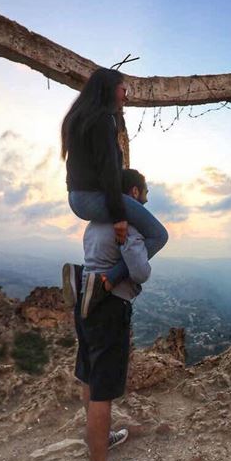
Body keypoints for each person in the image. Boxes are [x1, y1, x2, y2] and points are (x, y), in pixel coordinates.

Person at [72, 168, 155, 461]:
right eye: (145, 192)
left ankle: (99, 438)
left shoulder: (94, 224)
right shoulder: (128, 226)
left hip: (86, 301)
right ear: (133, 193)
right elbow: (141, 271)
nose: (147, 198)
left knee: (89, 375)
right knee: (103, 388)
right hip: (109, 309)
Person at [61, 68, 167, 314]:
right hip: (92, 198)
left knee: (110, 231)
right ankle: (104, 281)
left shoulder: (80, 118)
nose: (126, 97)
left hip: (76, 198)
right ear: (110, 89)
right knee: (159, 235)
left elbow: (76, 167)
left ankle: (81, 277)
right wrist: (119, 215)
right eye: (124, 90)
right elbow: (109, 169)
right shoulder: (102, 119)